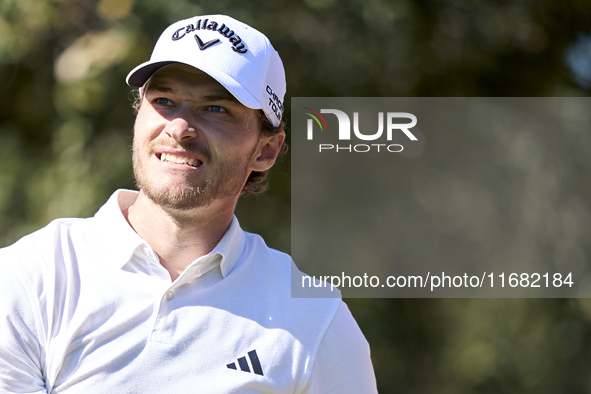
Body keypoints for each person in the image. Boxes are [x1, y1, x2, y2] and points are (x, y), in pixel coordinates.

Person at [0, 14, 377, 393]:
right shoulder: (31, 278)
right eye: (163, 100)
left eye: (216, 109)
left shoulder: (316, 321)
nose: (179, 128)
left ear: (266, 150)